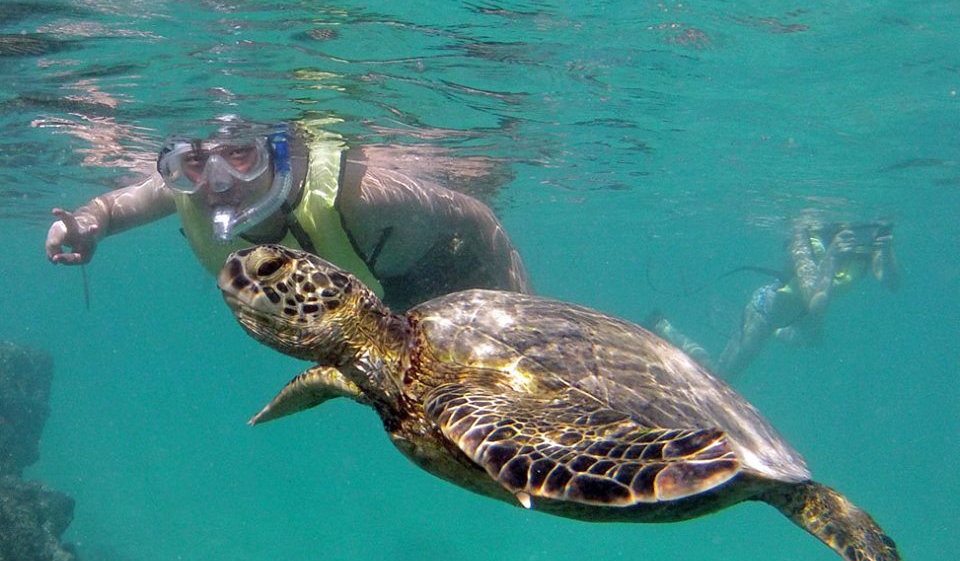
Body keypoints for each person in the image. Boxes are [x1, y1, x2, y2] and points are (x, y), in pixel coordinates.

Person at [45, 117, 532, 311]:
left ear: (275, 152)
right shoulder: (187, 193)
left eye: (239, 155)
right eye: (193, 162)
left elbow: (474, 215)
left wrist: (523, 310)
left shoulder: (358, 196)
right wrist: (87, 226)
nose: (217, 182)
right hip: (366, 310)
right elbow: (111, 208)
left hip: (440, 276)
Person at [649, 218, 900, 381]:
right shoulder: (808, 242)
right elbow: (816, 299)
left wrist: (884, 247)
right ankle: (663, 326)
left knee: (810, 341)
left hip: (802, 317)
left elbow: (891, 283)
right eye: (855, 228)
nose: (860, 234)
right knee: (718, 376)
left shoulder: (865, 253)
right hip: (768, 311)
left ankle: (766, 329)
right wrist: (833, 254)